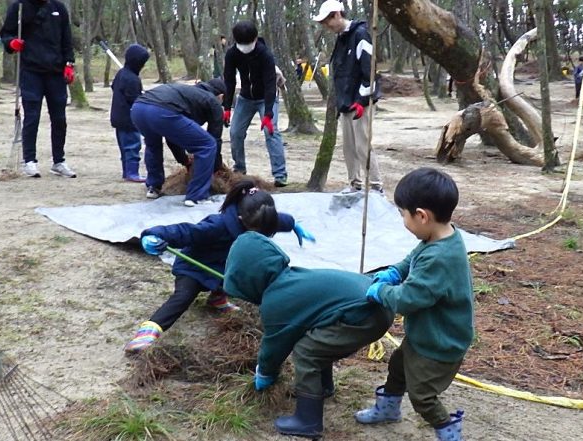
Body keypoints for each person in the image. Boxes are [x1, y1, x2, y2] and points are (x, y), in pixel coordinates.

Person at [223, 231, 395, 439]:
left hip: (365, 316)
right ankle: (322, 387)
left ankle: (308, 421)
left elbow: (274, 346)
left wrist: (265, 373)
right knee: (317, 339)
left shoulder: (276, 301)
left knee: (307, 352)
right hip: (378, 304)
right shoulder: (294, 277)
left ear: (248, 278)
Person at [124, 179, 316, 353]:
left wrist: (293, 225)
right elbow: (187, 232)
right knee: (183, 297)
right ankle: (149, 330)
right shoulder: (217, 225)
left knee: (239, 277)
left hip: (222, 266)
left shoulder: (260, 218)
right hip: (194, 267)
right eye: (257, 230)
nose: (260, 234)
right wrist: (154, 234)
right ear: (241, 219)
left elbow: (278, 221)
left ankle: (217, 298)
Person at [355, 167, 474, 441]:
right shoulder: (441, 236)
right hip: (426, 334)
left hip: (440, 343)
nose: (402, 220)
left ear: (421, 216)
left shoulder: (439, 258)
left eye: (403, 214)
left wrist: (381, 291)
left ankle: (448, 430)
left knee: (422, 395)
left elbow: (408, 300)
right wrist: (395, 272)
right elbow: (413, 258)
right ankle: (388, 409)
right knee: (398, 367)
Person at [0, 0, 77, 178]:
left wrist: (69, 63)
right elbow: (6, 33)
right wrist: (11, 43)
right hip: (30, 71)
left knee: (59, 118)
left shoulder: (58, 8)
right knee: (32, 117)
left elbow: (67, 39)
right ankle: (29, 161)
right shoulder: (19, 7)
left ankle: (59, 161)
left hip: (56, 71)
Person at [314, 0, 383, 194]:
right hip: (346, 102)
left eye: (327, 21)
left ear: (337, 15)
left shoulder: (360, 34)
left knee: (362, 145)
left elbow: (370, 71)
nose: (326, 26)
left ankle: (375, 186)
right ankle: (355, 183)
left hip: (361, 101)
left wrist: (362, 100)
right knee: (349, 147)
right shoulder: (341, 38)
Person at [131, 78, 226, 207]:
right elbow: (215, 139)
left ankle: (154, 187)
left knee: (153, 145)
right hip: (161, 111)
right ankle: (197, 196)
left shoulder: (188, 94)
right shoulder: (212, 101)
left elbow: (173, 137)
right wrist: (216, 167)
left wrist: (184, 160)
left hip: (138, 109)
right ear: (221, 96)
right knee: (207, 145)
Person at [222, 21, 288, 187]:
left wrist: (268, 114)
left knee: (271, 131)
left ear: (255, 38)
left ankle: (280, 175)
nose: (245, 48)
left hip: (266, 98)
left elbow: (270, 84)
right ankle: (239, 170)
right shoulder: (232, 54)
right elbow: (229, 81)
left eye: (248, 44)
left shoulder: (265, 54)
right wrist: (227, 107)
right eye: (241, 44)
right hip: (245, 98)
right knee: (235, 132)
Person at [110, 44, 150, 183]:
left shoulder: (121, 74)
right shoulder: (132, 79)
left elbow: (114, 87)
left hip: (117, 117)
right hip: (129, 120)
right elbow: (135, 100)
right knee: (132, 146)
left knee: (124, 147)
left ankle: (126, 171)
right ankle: (132, 172)